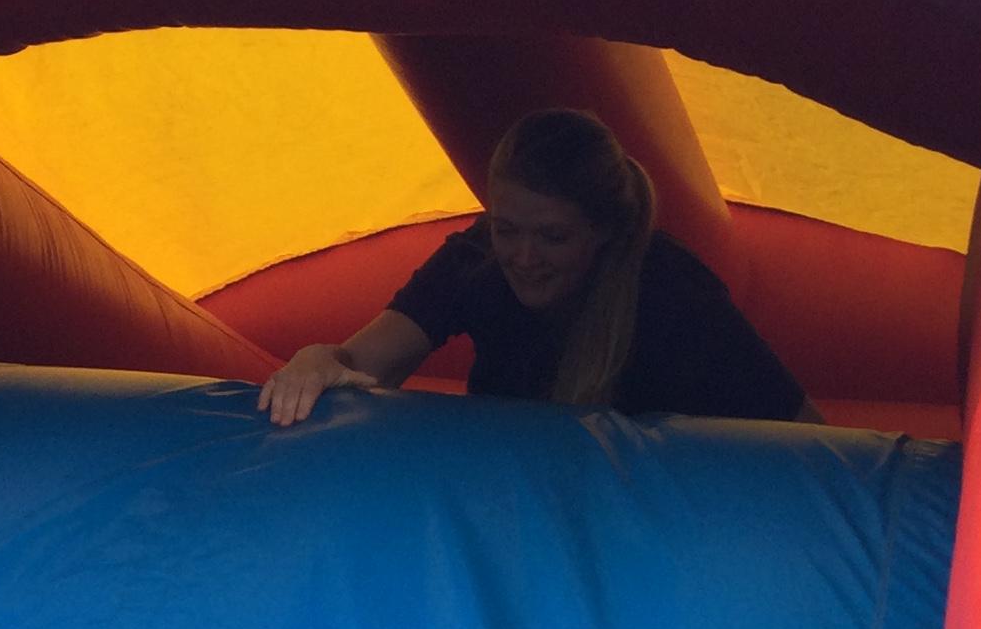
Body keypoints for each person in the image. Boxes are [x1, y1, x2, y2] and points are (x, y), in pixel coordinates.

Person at [258, 108, 816, 427]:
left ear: (603, 230)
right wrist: (317, 360)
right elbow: (363, 364)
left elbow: (805, 434)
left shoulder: (671, 293)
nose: (523, 258)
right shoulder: (476, 258)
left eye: (553, 237)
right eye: (507, 229)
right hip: (512, 490)